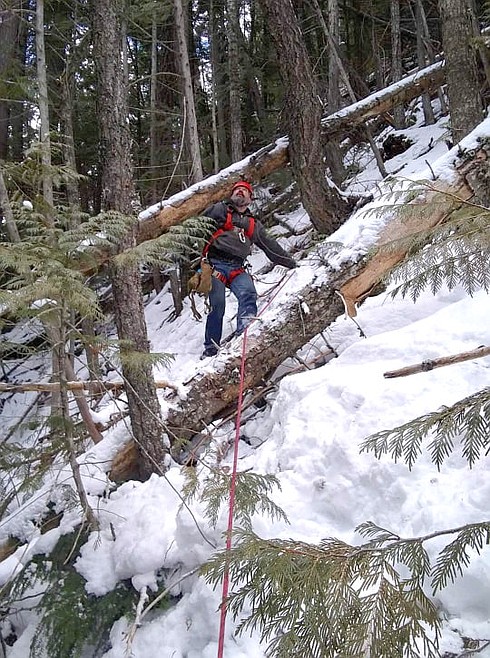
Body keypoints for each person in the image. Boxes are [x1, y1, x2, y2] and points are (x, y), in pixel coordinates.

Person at [200, 180, 297, 358]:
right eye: (237, 189)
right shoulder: (219, 210)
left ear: (250, 199)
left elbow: (270, 246)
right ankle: (211, 349)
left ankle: (244, 336)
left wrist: (291, 264)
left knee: (249, 294)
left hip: (237, 268)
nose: (240, 191)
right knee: (217, 305)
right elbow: (197, 228)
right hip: (215, 265)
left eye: (244, 190)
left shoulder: (253, 224)